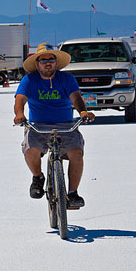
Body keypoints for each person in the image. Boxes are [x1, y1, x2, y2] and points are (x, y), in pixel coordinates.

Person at [13, 44, 96, 209]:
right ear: (37, 64)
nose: (48, 63)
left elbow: (75, 97)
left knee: (76, 152)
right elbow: (20, 99)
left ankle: (73, 193)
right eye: (43, 60)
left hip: (65, 125)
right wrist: (19, 114)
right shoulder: (29, 80)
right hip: (38, 126)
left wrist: (83, 112)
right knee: (30, 149)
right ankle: (38, 177)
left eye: (51, 60)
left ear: (56, 62)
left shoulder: (66, 79)